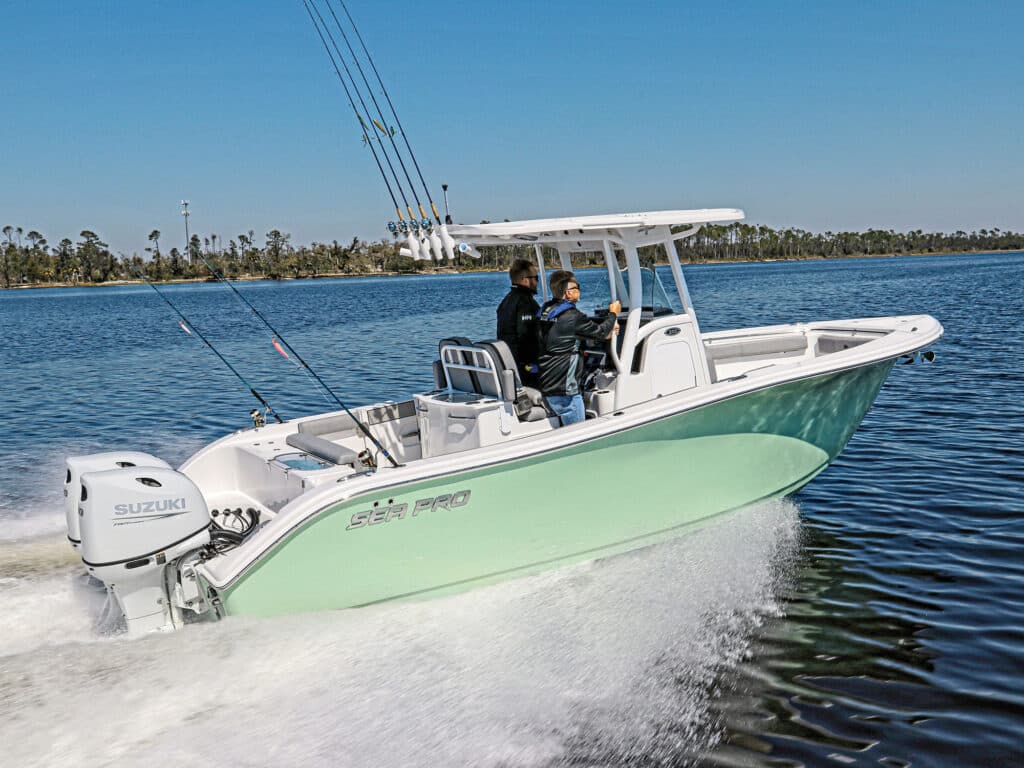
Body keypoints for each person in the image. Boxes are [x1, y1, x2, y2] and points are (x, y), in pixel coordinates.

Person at [536, 274, 620, 426]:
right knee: (578, 435)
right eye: (577, 288)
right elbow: (600, 332)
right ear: (568, 293)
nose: (579, 291)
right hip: (566, 393)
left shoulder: (545, 312)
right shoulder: (573, 317)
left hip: (548, 386)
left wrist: (607, 332)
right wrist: (613, 314)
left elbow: (566, 336)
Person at [496, 258, 541, 386]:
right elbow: (527, 337)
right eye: (536, 278)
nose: (537, 282)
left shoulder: (506, 301)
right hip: (525, 369)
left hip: (509, 364)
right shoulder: (526, 303)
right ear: (525, 280)